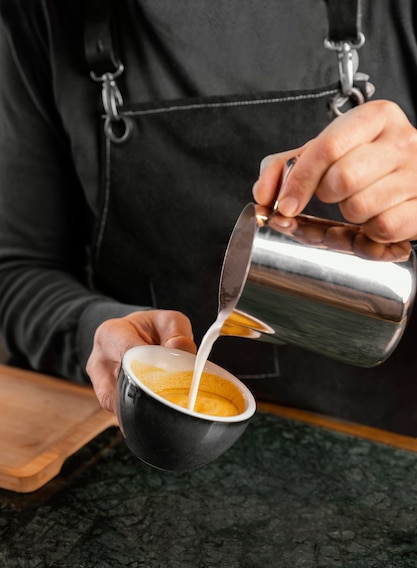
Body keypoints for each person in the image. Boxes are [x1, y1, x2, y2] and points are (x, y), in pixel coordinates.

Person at [1, 1, 417, 434]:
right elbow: (18, 271)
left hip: (381, 450)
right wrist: (95, 328)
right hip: (139, 443)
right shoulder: (41, 14)